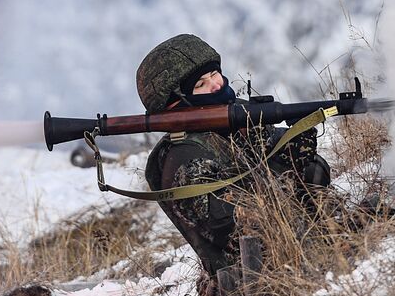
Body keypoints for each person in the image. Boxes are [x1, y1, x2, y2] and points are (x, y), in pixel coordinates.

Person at [137, 33, 331, 275]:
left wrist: (296, 147)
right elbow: (236, 224)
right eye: (200, 85)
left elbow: (298, 172)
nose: (216, 85)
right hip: (252, 287)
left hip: (307, 253)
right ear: (176, 104)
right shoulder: (183, 156)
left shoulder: (235, 121)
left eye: (214, 74)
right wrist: (280, 167)